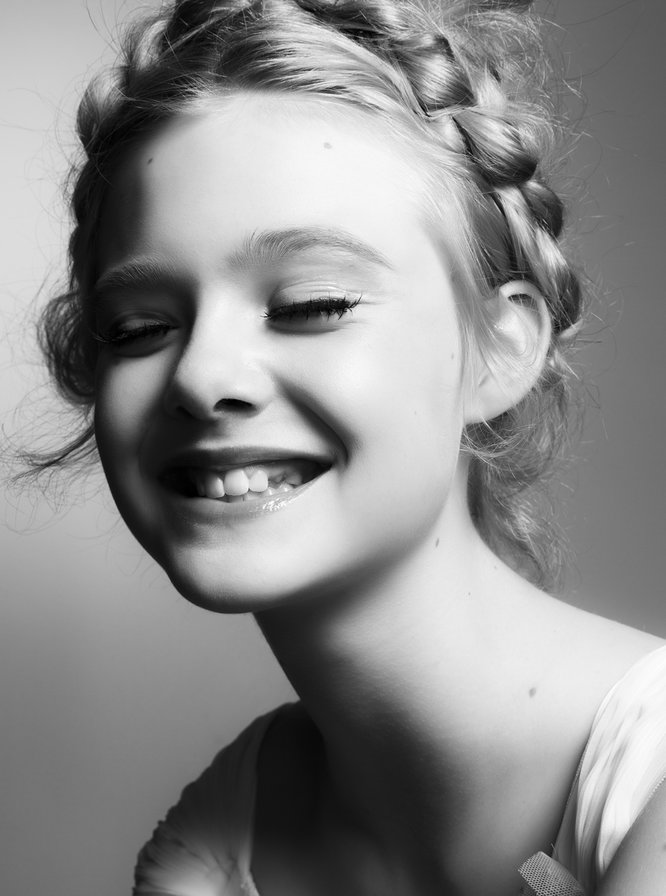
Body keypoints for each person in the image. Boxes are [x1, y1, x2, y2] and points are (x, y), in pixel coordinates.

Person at [26, 0, 666, 893]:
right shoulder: (223, 831)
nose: (201, 375)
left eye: (311, 305)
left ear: (502, 347)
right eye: (138, 327)